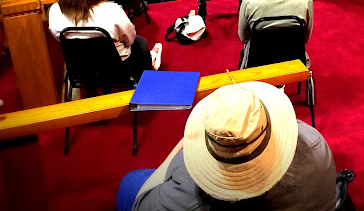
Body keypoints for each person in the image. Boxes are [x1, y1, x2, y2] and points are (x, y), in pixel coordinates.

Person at [116, 81, 337, 211]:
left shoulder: (189, 184)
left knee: (130, 182)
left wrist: (178, 148)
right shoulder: (314, 143)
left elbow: (140, 204)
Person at [48, 0, 160, 76]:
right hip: (117, 67)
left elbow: (58, 37)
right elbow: (130, 39)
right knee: (140, 42)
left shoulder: (55, 10)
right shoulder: (112, 10)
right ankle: (150, 64)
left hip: (80, 68)